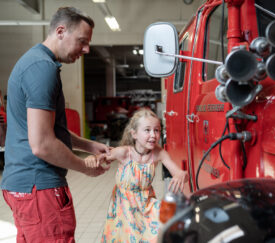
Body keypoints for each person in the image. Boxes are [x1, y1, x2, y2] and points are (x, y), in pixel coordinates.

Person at [0, 7, 110, 242]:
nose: (87, 49)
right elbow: (42, 144)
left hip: (24, 185)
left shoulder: (33, 62)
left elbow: (48, 130)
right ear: (61, 31)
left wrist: (88, 145)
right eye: (82, 41)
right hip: (39, 188)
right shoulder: (43, 69)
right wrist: (85, 167)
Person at [96, 108, 188, 242]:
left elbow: (182, 175)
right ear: (134, 134)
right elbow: (102, 157)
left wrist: (181, 174)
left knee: (160, 232)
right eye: (147, 130)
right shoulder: (124, 153)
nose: (153, 135)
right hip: (124, 208)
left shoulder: (158, 153)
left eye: (156, 130)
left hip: (147, 205)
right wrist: (95, 159)